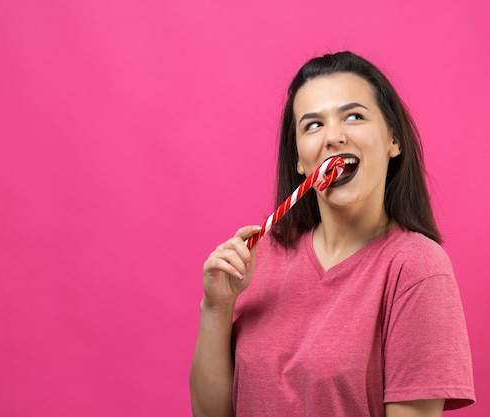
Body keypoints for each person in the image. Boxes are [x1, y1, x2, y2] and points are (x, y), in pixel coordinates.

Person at [190, 51, 475, 417]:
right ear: (298, 159)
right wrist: (216, 307)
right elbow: (210, 413)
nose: (333, 137)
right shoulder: (260, 258)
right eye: (313, 125)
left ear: (393, 140)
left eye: (354, 117)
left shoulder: (415, 266)